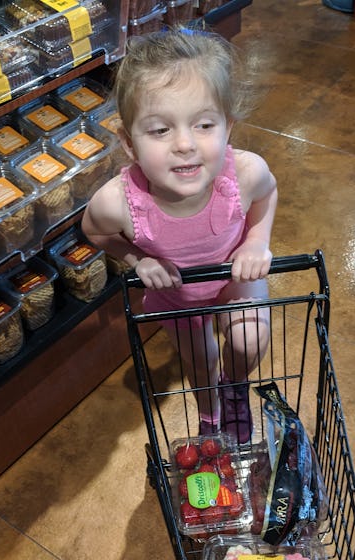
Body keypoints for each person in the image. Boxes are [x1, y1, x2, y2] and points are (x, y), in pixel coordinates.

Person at [81, 27, 277, 444]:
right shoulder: (117, 203)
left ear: (229, 127)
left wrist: (256, 241)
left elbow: (268, 195)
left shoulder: (244, 173)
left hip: (235, 280)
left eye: (204, 124)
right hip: (177, 295)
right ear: (128, 142)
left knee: (250, 338)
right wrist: (139, 259)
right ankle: (210, 412)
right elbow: (95, 232)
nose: (185, 144)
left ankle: (235, 387)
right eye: (159, 130)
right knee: (199, 359)